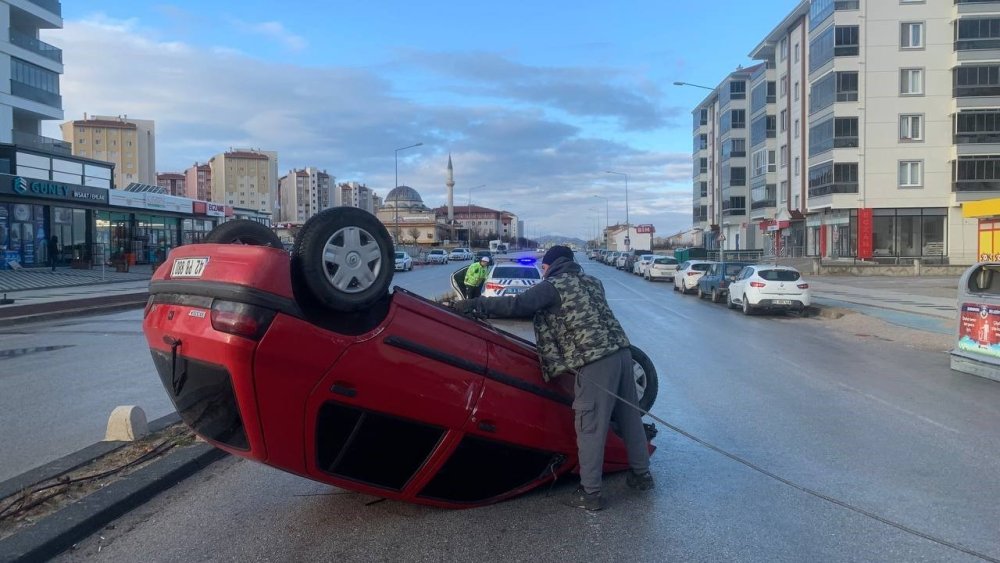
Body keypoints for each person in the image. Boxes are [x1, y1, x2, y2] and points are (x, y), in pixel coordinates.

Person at [453, 245, 653, 511]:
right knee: (629, 418)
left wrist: (472, 305)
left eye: (544, 267)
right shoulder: (593, 281)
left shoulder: (553, 286)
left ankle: (590, 493)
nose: (543, 271)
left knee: (589, 425)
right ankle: (642, 476)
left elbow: (516, 305)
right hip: (623, 354)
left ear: (551, 265)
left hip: (595, 361)